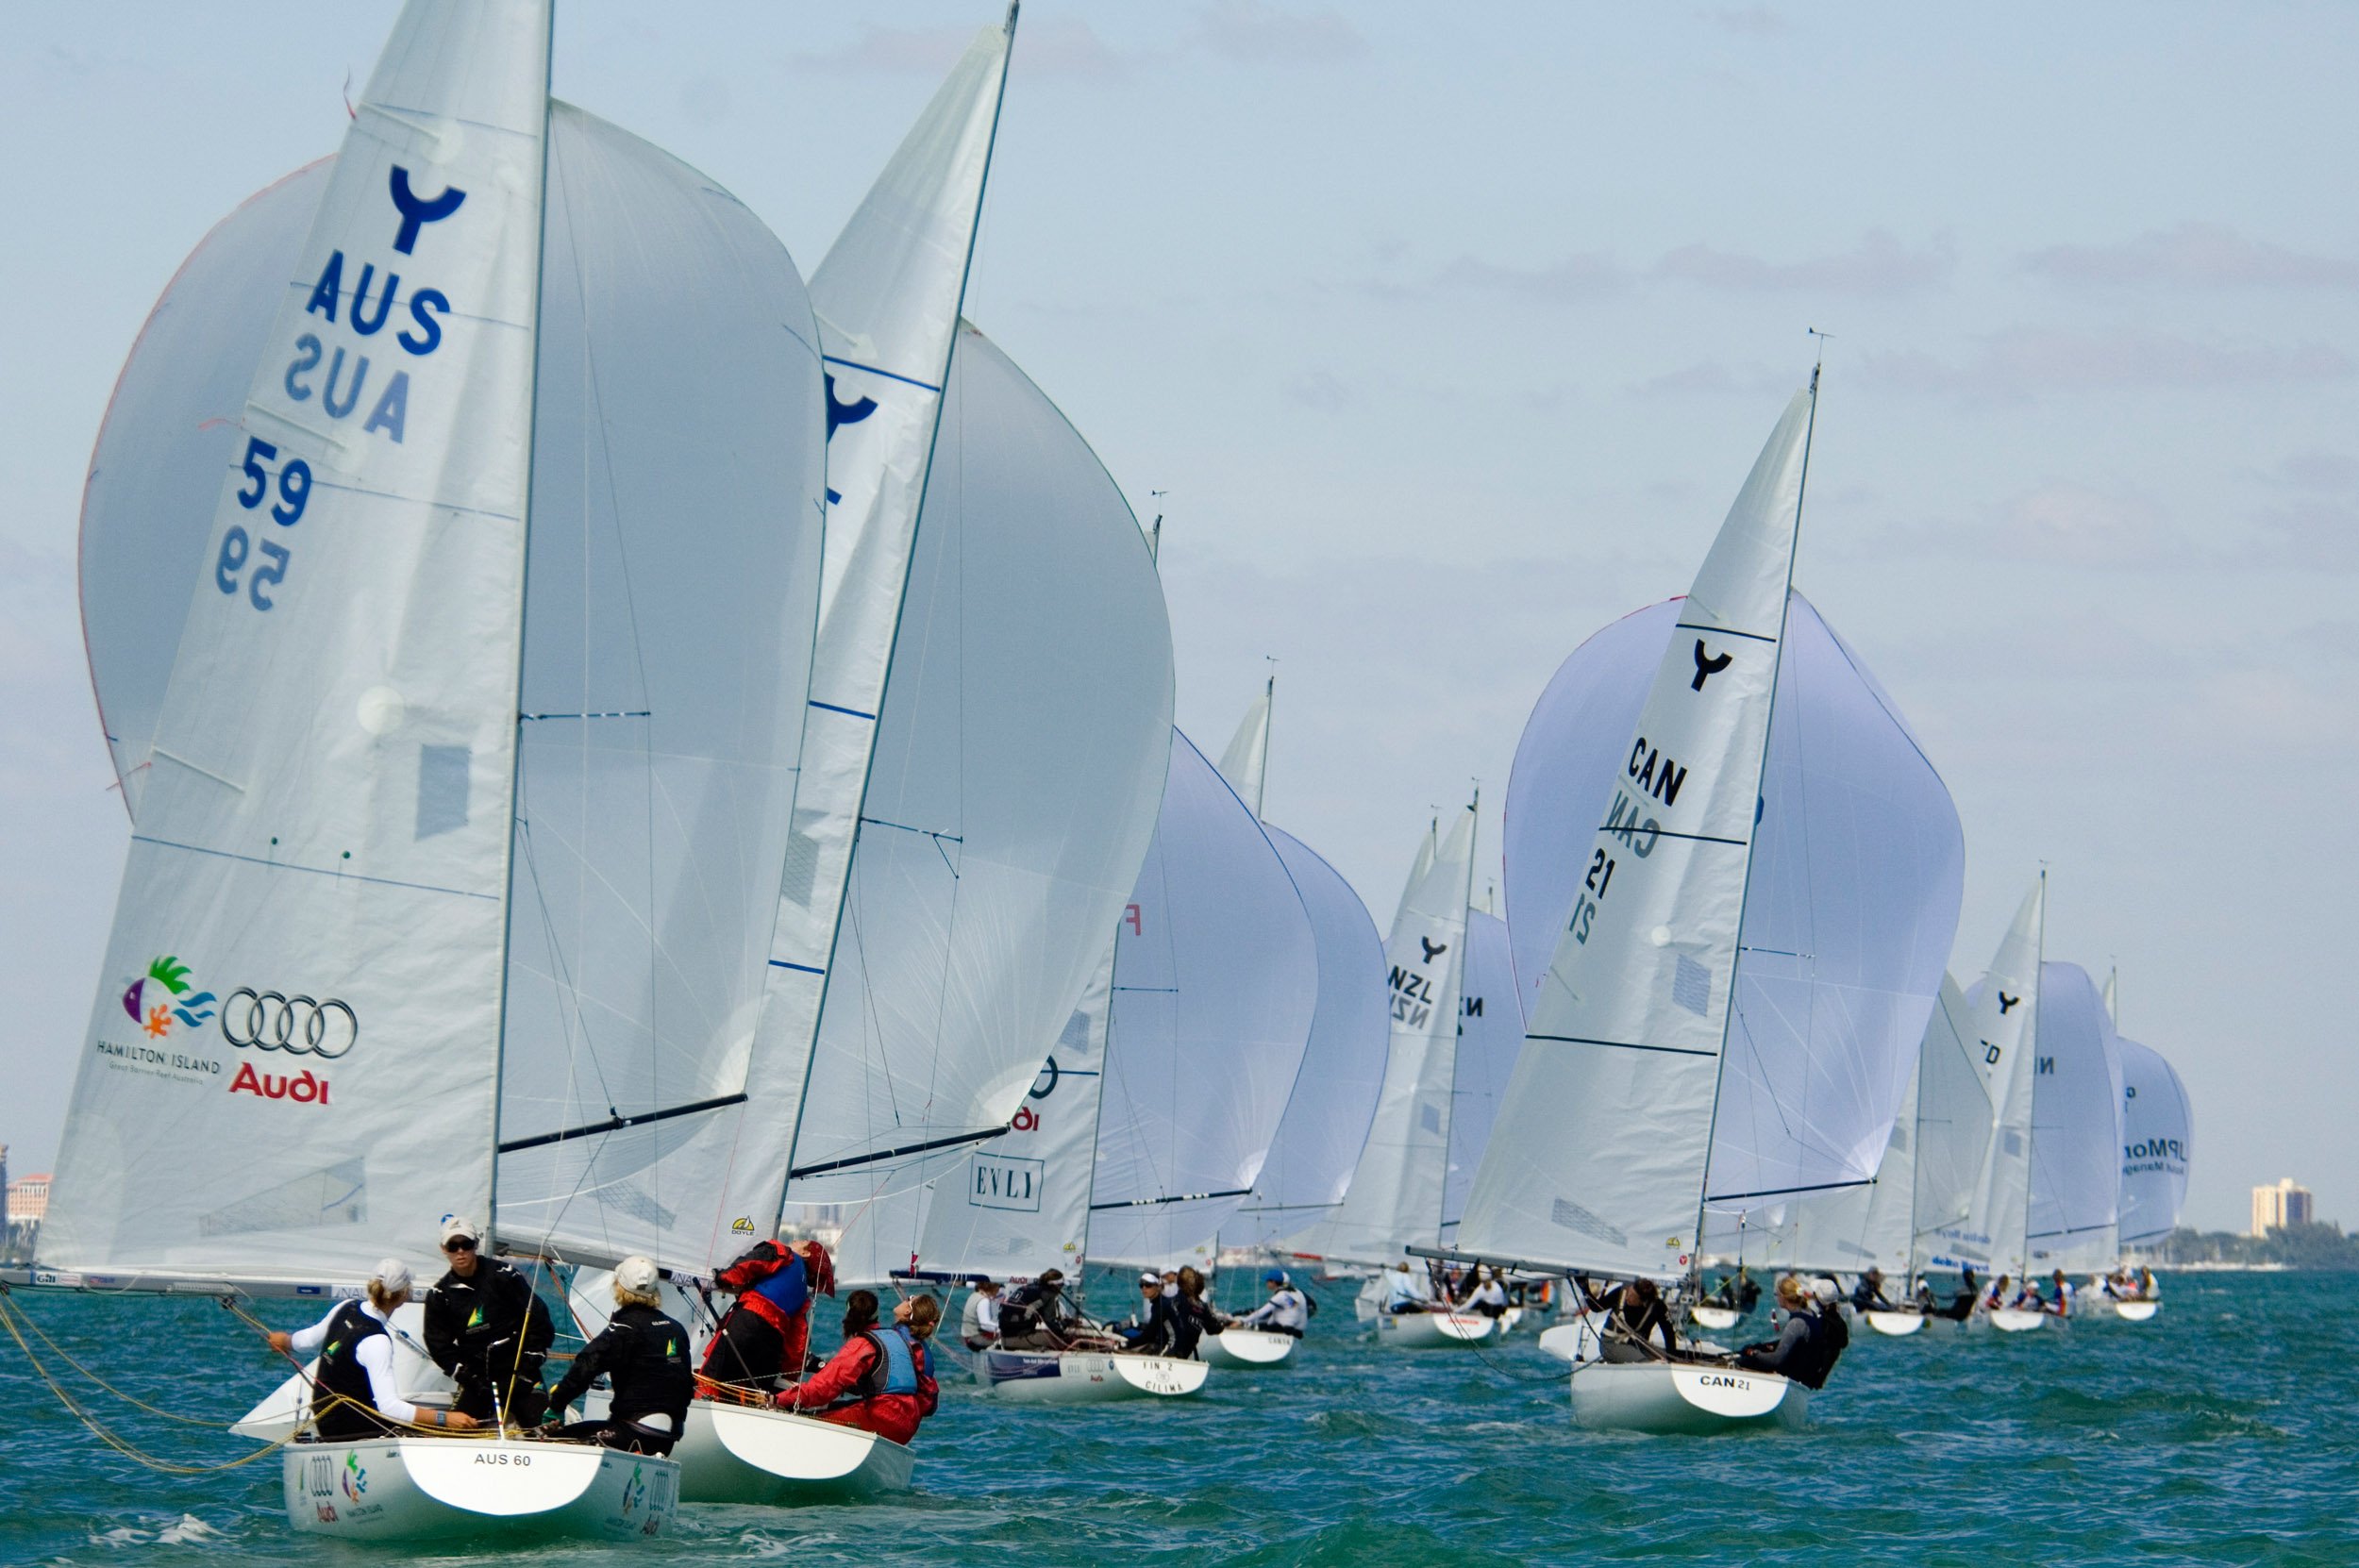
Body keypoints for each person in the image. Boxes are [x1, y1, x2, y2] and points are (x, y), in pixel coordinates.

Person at [268, 1259, 478, 1439]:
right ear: (404, 1295)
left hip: (325, 1420)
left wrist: (285, 1341)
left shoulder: (346, 1306)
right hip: (351, 1430)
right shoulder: (376, 1341)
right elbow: (390, 1408)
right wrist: (445, 1419)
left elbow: (307, 1341)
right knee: (444, 1430)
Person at [541, 1256, 694, 1455]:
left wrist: (557, 1404)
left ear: (618, 1287)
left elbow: (585, 1366)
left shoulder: (624, 1328)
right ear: (655, 1291)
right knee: (594, 1428)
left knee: (551, 1441)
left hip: (632, 1432)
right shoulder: (676, 1329)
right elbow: (684, 1385)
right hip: (667, 1438)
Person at [422, 1216, 553, 1427]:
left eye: (466, 1244)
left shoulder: (503, 1275)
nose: (460, 1251)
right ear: (443, 1249)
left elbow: (538, 1317)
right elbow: (439, 1346)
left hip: (518, 1374)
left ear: (475, 1245)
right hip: (477, 1381)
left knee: (544, 1430)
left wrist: (529, 1366)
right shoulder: (440, 1294)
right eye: (453, 1246)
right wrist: (468, 1378)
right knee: (458, 1433)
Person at [777, 1294, 942, 1446]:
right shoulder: (913, 1347)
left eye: (908, 1298)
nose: (904, 1299)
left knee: (814, 1418)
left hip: (883, 1416)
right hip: (907, 1423)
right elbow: (927, 1404)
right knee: (835, 1407)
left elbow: (824, 1387)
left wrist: (779, 1400)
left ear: (908, 1311)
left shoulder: (871, 1341)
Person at [699, 1237, 833, 1393]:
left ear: (805, 1253)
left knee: (711, 1381)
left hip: (748, 1323)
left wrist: (722, 1276)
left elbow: (752, 1262)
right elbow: (798, 1343)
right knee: (752, 1394)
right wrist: (790, 1376)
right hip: (773, 1343)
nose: (796, 1240)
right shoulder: (803, 1297)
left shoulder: (784, 1253)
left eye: (802, 1241)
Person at [1735, 1276, 1834, 1389]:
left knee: (1743, 1360)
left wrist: (1753, 1353)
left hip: (1793, 1380)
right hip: (1805, 1377)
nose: (1777, 1298)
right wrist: (1767, 1347)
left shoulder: (1796, 1323)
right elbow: (1798, 1345)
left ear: (1783, 1297)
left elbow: (1776, 1360)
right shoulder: (1811, 1314)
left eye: (1777, 1295)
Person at [1596, 1277, 1676, 1363]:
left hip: (1637, 1346)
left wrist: (1671, 1359)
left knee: (1662, 1360)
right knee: (1645, 1362)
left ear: (1643, 1302)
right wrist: (1585, 1289)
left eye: (1632, 1296)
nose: (1627, 1297)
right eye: (1630, 1292)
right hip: (1611, 1344)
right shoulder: (1622, 1293)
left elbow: (1669, 1333)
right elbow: (1597, 1307)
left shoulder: (1658, 1307)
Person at [997, 1269, 1082, 1350]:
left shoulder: (1029, 1287)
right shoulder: (1047, 1295)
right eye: (1061, 1286)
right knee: (1061, 1341)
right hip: (1019, 1339)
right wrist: (1068, 1322)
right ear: (1056, 1286)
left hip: (1004, 1337)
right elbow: (1055, 1328)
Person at [1116, 1271, 1180, 1355]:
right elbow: (1154, 1329)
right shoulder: (1159, 1303)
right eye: (1141, 1285)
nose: (1144, 1288)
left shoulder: (1161, 1306)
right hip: (1165, 1343)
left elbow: (1148, 1336)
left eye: (1148, 1285)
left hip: (1172, 1347)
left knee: (1124, 1350)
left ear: (1158, 1287)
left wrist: (1125, 1344)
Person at [1168, 1266, 1224, 1359]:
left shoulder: (1178, 1300)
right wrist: (1222, 1324)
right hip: (1186, 1353)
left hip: (1173, 1352)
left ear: (1179, 1283)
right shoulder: (1203, 1307)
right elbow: (1213, 1329)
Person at [1235, 1270, 1311, 1336]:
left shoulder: (1280, 1296)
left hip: (1286, 1329)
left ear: (1273, 1282)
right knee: (1265, 1322)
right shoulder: (1292, 1294)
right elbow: (1294, 1308)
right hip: (1296, 1329)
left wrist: (1243, 1322)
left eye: (1268, 1281)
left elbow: (1262, 1312)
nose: (1266, 1283)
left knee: (1253, 1325)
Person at [959, 1278, 1003, 1351]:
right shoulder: (983, 1301)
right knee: (1005, 1343)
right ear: (992, 1288)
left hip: (968, 1337)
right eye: (997, 1288)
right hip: (975, 1340)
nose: (998, 1292)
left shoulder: (974, 1295)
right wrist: (1002, 1328)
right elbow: (985, 1325)